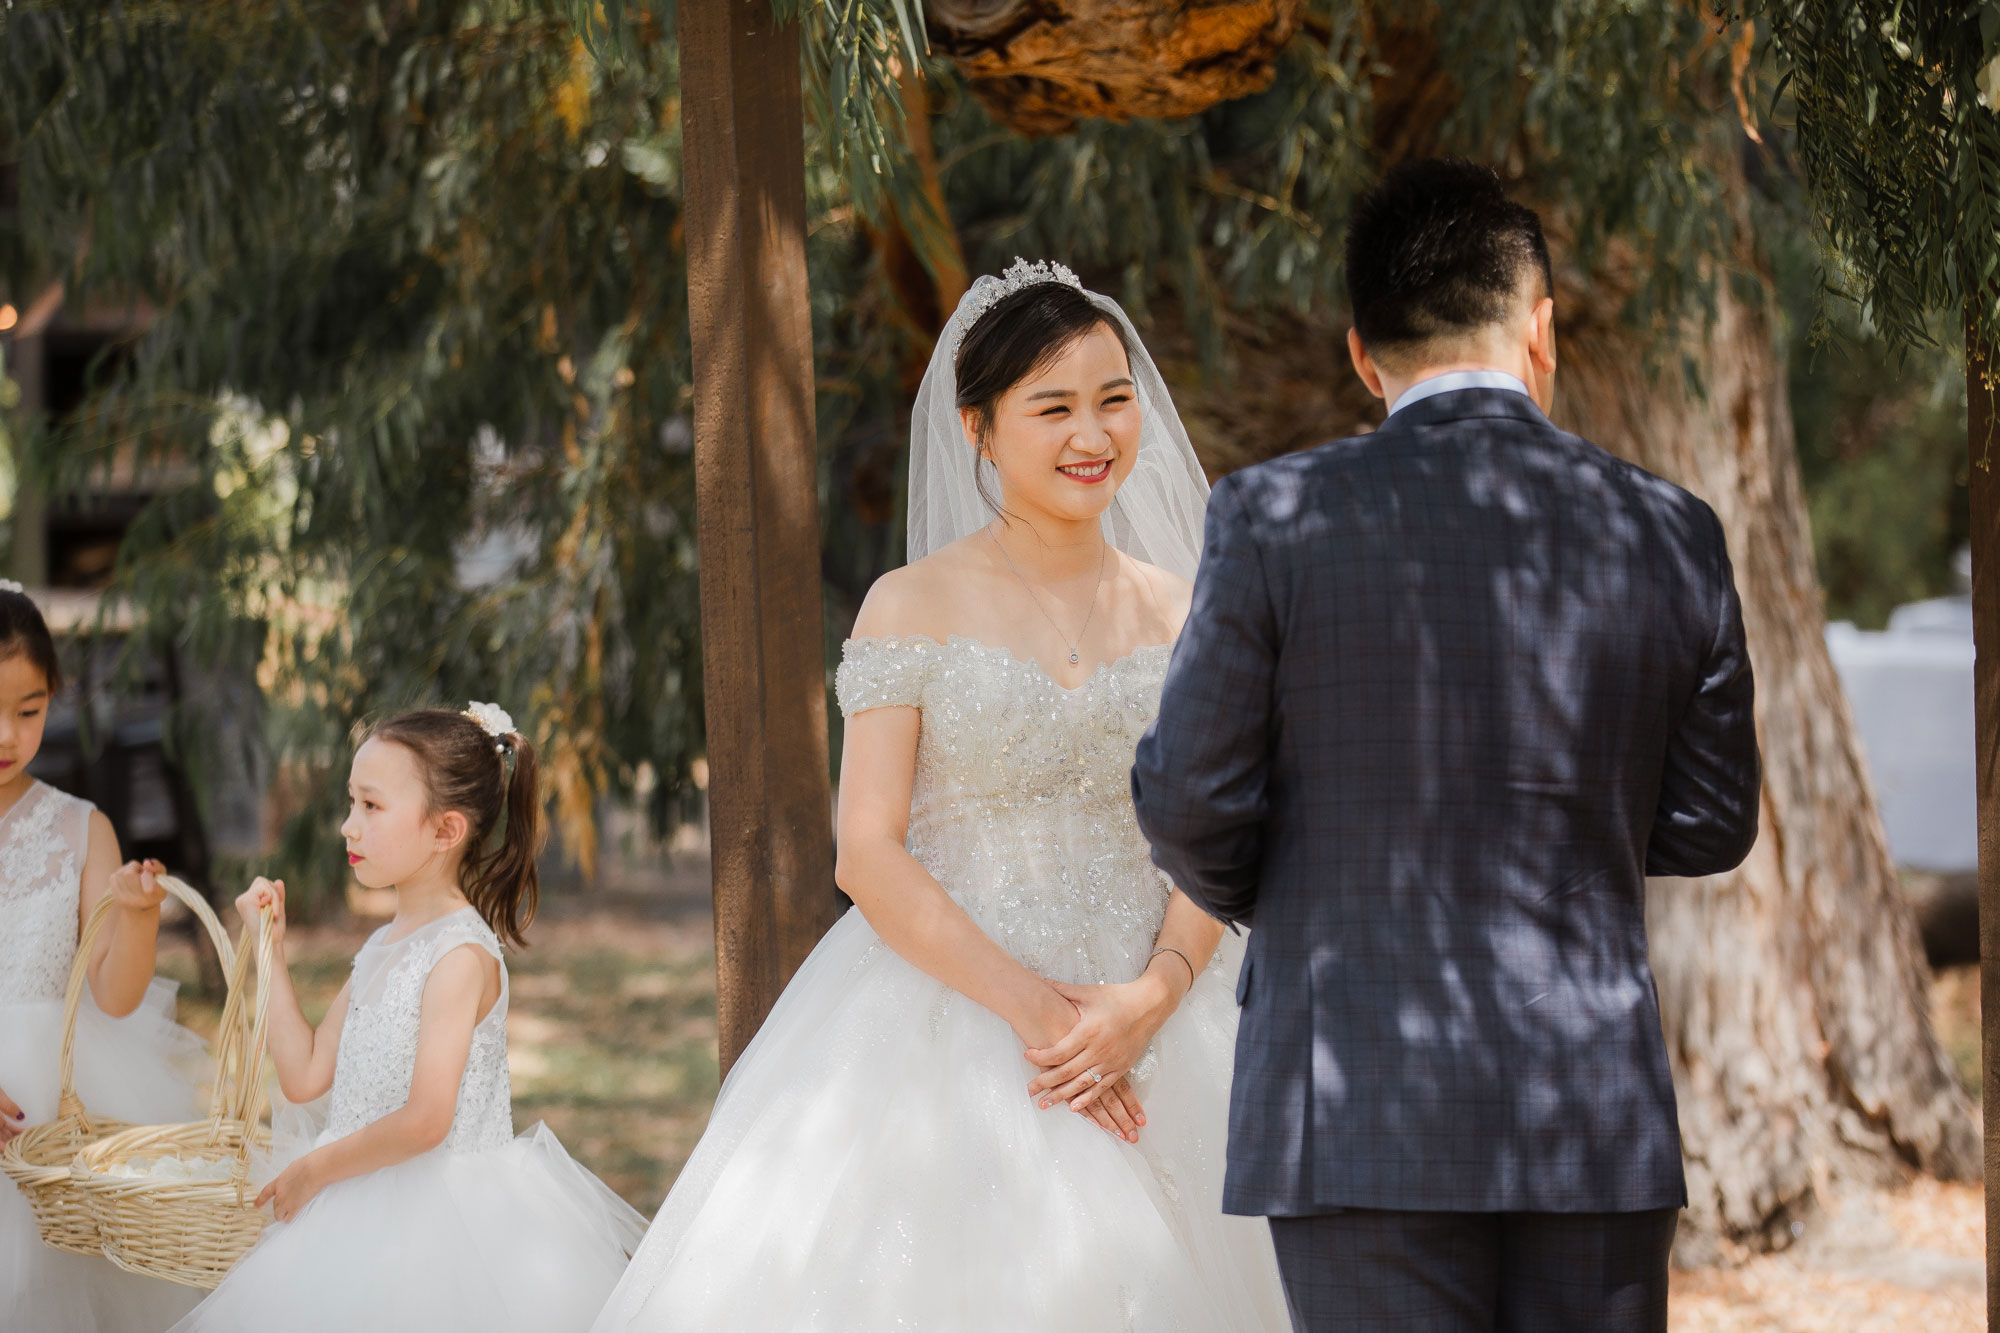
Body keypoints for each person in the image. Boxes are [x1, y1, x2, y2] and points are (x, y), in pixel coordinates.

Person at [591, 261, 1291, 1332]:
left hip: (1167, 1005)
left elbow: (1217, 830)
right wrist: (1036, 1013)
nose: (1091, 434)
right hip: (953, 1006)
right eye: (1051, 407)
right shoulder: (907, 603)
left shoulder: (1186, 608)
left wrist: (1148, 996)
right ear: (977, 426)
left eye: (1112, 400)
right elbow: (865, 851)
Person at [1132, 159, 1763, 1332]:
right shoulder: (1671, 529)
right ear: (1541, 331)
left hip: (1353, 1099)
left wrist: (1306, 891)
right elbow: (1710, 818)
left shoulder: (1271, 518)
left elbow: (1189, 802)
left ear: (1362, 354)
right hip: (1589, 1112)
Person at [171, 704, 645, 1333]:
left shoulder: (460, 956)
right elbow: (305, 1075)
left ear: (445, 830)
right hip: (351, 1209)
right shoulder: (384, 946)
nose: (347, 826)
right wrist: (269, 949)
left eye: (371, 806)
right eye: (350, 803)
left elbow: (426, 1120)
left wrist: (314, 1170)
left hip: (443, 1231)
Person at [0, 579, 207, 1332]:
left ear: (55, 694)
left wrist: (141, 917)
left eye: (28, 710)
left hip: (53, 1110)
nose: (7, 735)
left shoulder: (81, 828)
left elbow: (115, 995)